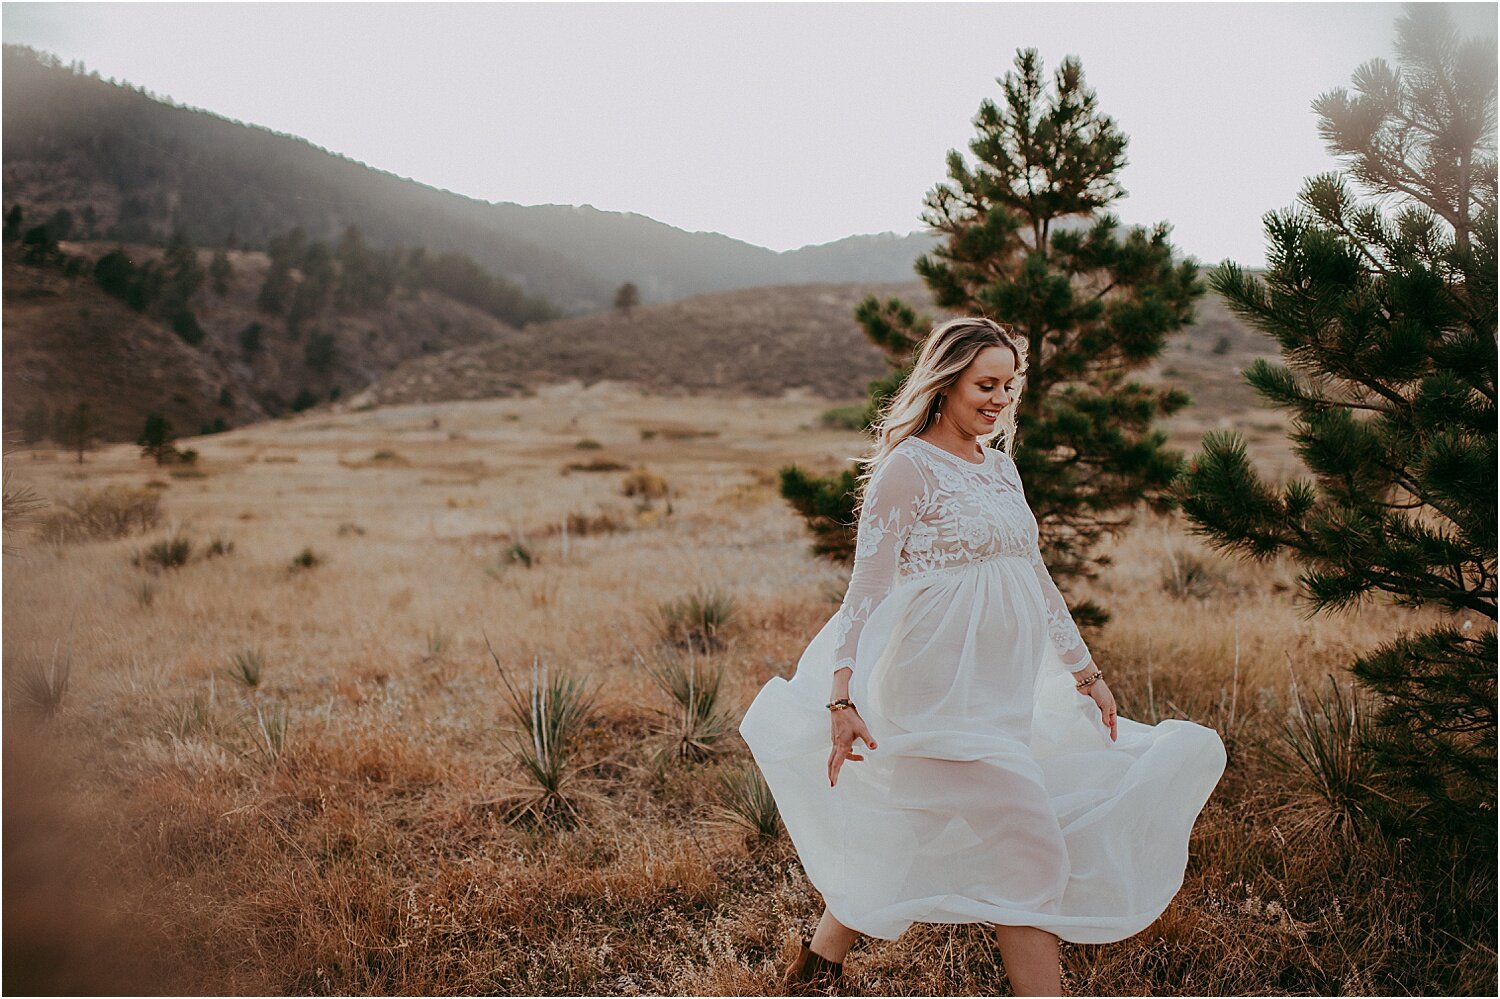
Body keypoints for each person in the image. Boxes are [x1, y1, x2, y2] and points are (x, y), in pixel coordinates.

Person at [739, 317, 1226, 996]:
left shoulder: (998, 466)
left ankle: (814, 970)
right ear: (944, 383)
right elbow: (866, 590)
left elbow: (1035, 573)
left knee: (916, 824)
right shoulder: (909, 469)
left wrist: (1086, 671)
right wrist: (840, 695)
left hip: (1000, 690)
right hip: (935, 689)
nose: (999, 399)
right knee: (1033, 853)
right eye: (985, 384)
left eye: (1008, 385)